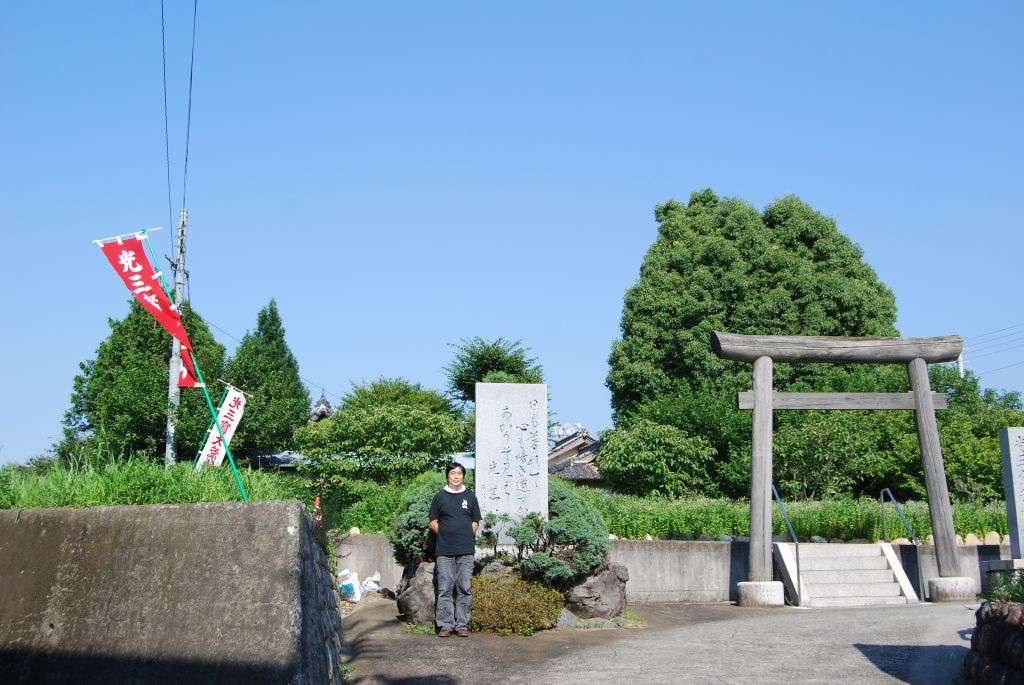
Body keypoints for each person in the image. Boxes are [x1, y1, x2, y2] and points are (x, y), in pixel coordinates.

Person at [428, 461, 482, 637]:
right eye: (453, 473)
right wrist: (445, 534)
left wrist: (465, 533)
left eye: (459, 473)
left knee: (464, 587)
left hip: (466, 549)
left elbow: (475, 521)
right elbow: (433, 522)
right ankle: (445, 625)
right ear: (447, 476)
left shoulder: (471, 497)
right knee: (444, 587)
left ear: (463, 476)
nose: (456, 476)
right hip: (444, 550)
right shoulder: (439, 497)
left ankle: (462, 625)